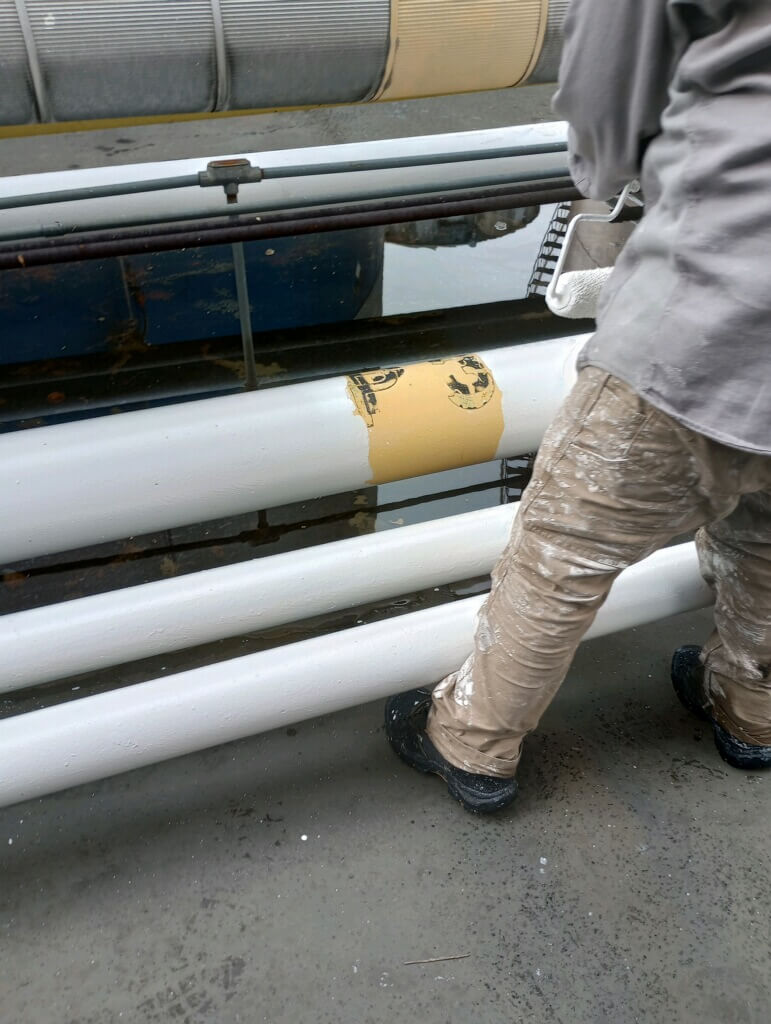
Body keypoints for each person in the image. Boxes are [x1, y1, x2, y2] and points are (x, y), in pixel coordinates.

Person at [385, 0, 771, 813]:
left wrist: (611, 172)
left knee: (563, 547)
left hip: (715, 315)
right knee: (766, 542)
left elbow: (604, 93)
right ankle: (751, 710)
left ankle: (470, 741)